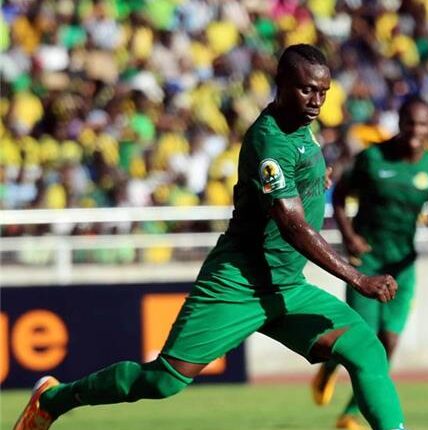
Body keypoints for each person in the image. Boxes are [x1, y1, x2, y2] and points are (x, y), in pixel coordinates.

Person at [14, 44, 407, 430]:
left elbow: (295, 181)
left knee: (366, 348)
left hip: (286, 285)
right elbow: (292, 225)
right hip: (240, 281)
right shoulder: (270, 140)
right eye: (308, 90)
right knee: (163, 381)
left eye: (323, 91)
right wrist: (357, 278)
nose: (317, 101)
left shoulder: (302, 126)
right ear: (282, 83)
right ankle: (53, 399)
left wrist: (314, 181)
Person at [311, 97, 428, 430]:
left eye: (423, 124)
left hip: (402, 267)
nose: (416, 130)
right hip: (367, 263)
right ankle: (329, 368)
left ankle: (349, 414)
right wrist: (349, 236)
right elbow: (339, 196)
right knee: (360, 338)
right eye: (410, 123)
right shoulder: (373, 158)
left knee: (388, 343)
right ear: (400, 123)